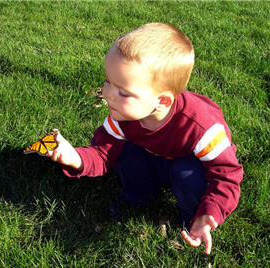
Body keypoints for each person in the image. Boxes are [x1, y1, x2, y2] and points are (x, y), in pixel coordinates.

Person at [47, 23, 243, 255]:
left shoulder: (201, 128)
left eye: (123, 92)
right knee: (125, 153)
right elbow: (103, 152)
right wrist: (76, 157)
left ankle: (192, 219)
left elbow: (227, 176)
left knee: (186, 174)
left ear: (162, 101)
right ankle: (138, 196)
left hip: (189, 166)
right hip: (156, 157)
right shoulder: (123, 117)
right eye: (108, 81)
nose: (107, 94)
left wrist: (210, 212)